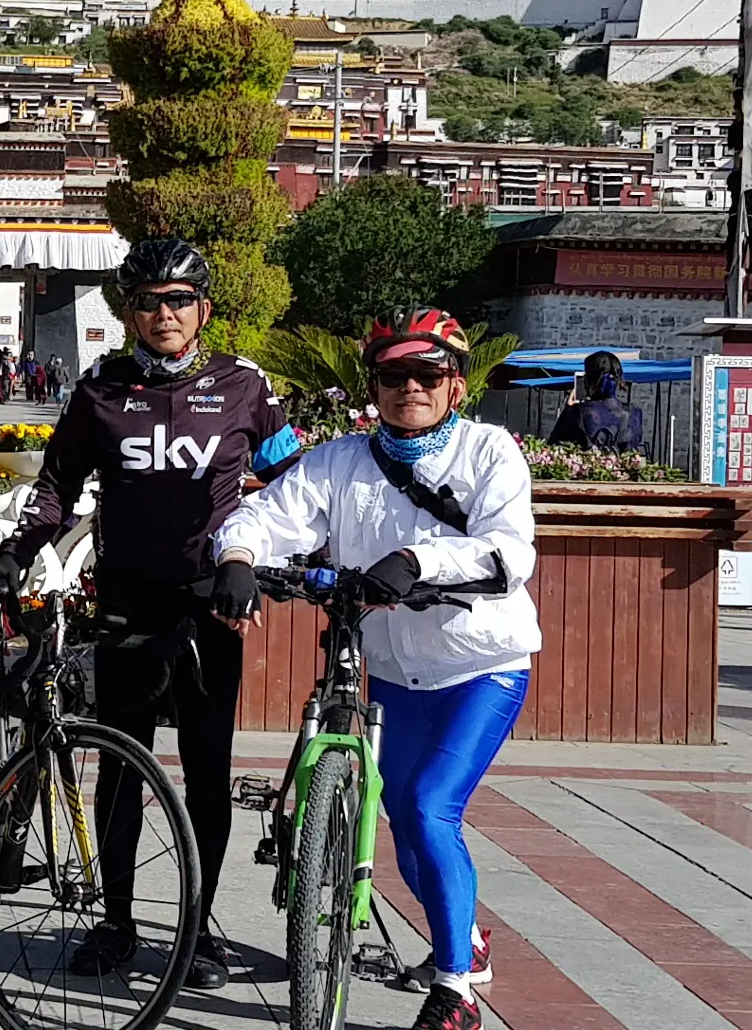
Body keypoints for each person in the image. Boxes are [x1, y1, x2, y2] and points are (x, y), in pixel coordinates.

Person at [0, 238, 300, 990]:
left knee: (207, 776)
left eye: (180, 300)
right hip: (126, 603)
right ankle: (117, 924)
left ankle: (197, 929)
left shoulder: (246, 385)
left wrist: (263, 563)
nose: (165, 313)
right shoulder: (99, 388)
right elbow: (56, 485)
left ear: (205, 310)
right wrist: (17, 552)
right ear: (129, 313)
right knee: (121, 769)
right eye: (150, 301)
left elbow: (296, 485)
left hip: (212, 606)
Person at [211, 308, 539, 1030]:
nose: (410, 389)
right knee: (404, 819)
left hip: (480, 665)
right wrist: (236, 558)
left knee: (428, 808)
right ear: (375, 385)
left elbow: (510, 554)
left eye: (428, 375)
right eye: (394, 376)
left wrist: (418, 562)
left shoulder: (489, 453)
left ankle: (456, 987)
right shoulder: (342, 460)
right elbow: (272, 517)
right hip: (388, 664)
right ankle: (465, 935)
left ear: (456, 384)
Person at [548, 350, 643, 453]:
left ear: (589, 380)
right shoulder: (633, 413)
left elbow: (553, 447)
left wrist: (568, 411)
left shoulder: (578, 413)